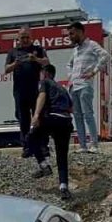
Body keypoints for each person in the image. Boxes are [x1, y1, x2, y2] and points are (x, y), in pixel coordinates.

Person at [28, 63, 74, 199]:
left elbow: (41, 97)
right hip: (66, 121)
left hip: (52, 118)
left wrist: (36, 116)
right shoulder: (62, 88)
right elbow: (72, 109)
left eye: (41, 73)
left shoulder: (45, 82)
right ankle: (64, 187)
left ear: (46, 73)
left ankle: (44, 165)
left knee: (30, 138)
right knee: (62, 155)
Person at [4, 28, 49, 158]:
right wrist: (15, 64)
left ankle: (42, 145)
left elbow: (47, 62)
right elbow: (6, 69)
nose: (25, 40)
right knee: (23, 119)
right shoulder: (13, 52)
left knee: (39, 118)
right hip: (19, 90)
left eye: (27, 37)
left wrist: (35, 59)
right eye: (22, 37)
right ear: (18, 38)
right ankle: (27, 147)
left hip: (36, 89)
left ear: (31, 37)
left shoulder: (38, 49)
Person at [66, 21, 109, 153]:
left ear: (80, 32)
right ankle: (83, 146)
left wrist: (94, 71)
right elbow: (69, 64)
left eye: (72, 34)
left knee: (88, 114)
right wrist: (71, 77)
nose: (70, 37)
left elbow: (105, 56)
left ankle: (94, 145)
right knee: (77, 116)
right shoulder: (76, 50)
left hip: (85, 86)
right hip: (74, 86)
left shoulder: (91, 45)